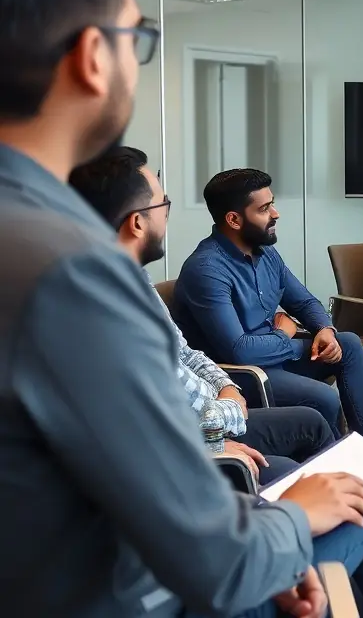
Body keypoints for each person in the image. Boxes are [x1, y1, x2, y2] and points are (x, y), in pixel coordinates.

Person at [0, 0, 363, 618]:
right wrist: (292, 518)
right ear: (94, 56)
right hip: (135, 596)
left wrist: (309, 326)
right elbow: (215, 561)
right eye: (139, 39)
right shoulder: (69, 269)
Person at [69, 146, 338, 487]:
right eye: (162, 205)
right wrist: (229, 408)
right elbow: (161, 416)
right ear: (137, 222)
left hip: (216, 407)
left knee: (315, 416)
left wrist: (226, 387)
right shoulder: (107, 307)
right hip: (185, 444)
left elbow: (184, 353)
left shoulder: (137, 281)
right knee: (289, 465)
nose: (167, 215)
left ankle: (353, 486)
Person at [172, 167, 363, 512]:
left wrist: (324, 331)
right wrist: (285, 333)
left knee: (347, 343)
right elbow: (238, 350)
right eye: (264, 208)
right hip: (245, 375)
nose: (275, 213)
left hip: (275, 357)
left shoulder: (266, 252)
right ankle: (343, 482)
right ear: (234, 219)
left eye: (272, 204)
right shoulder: (206, 269)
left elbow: (303, 301)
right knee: (322, 400)